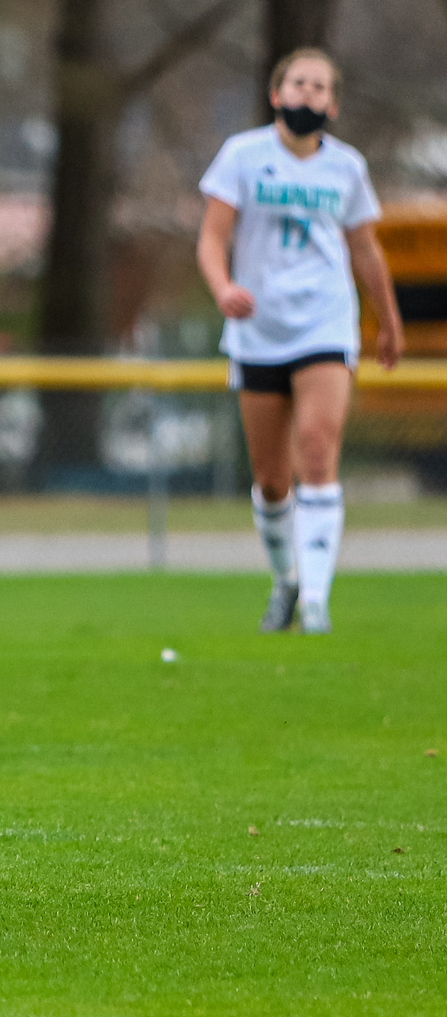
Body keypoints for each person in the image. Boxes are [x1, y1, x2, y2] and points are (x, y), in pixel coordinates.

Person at [196, 48, 402, 635]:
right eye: (297, 83)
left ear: (332, 103)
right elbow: (212, 238)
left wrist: (387, 320)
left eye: (319, 87)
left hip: (325, 322)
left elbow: (366, 247)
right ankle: (287, 578)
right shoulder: (242, 156)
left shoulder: (346, 168)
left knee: (317, 447)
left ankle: (316, 600)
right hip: (258, 326)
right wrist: (222, 286)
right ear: (276, 94)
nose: (307, 94)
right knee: (270, 478)